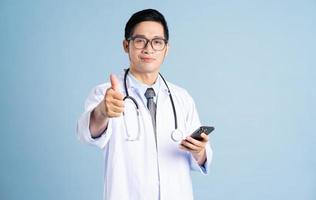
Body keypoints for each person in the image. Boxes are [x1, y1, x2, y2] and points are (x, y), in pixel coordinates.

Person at [77, 8, 213, 200]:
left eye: (157, 42)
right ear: (126, 45)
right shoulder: (106, 93)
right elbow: (87, 134)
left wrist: (199, 151)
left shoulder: (182, 98)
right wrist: (102, 112)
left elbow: (200, 158)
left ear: (166, 48)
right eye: (140, 41)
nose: (149, 49)